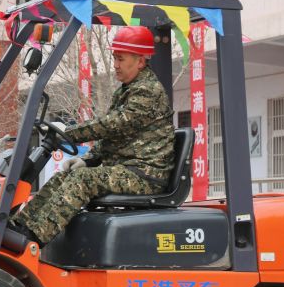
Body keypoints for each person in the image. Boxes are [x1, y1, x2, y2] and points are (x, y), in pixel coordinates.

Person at [10, 25, 175, 247]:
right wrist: (86, 159)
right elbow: (112, 138)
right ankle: (20, 226)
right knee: (65, 174)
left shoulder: (147, 91)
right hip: (126, 168)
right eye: (114, 58)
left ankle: (33, 240)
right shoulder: (127, 89)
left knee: (83, 179)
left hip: (144, 174)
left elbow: (112, 125)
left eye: (120, 59)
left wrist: (69, 134)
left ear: (141, 61)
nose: (115, 65)